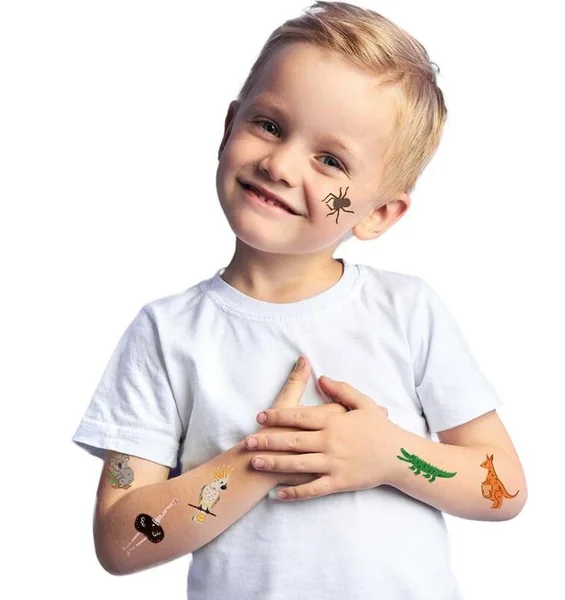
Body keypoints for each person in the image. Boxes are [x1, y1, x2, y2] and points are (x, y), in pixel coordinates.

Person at [72, 2, 527, 598]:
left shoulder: (407, 312)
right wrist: (258, 462)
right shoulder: (167, 333)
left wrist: (393, 455)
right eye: (268, 125)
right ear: (228, 127)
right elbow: (120, 541)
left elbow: (504, 487)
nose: (280, 164)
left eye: (330, 160)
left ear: (380, 213)